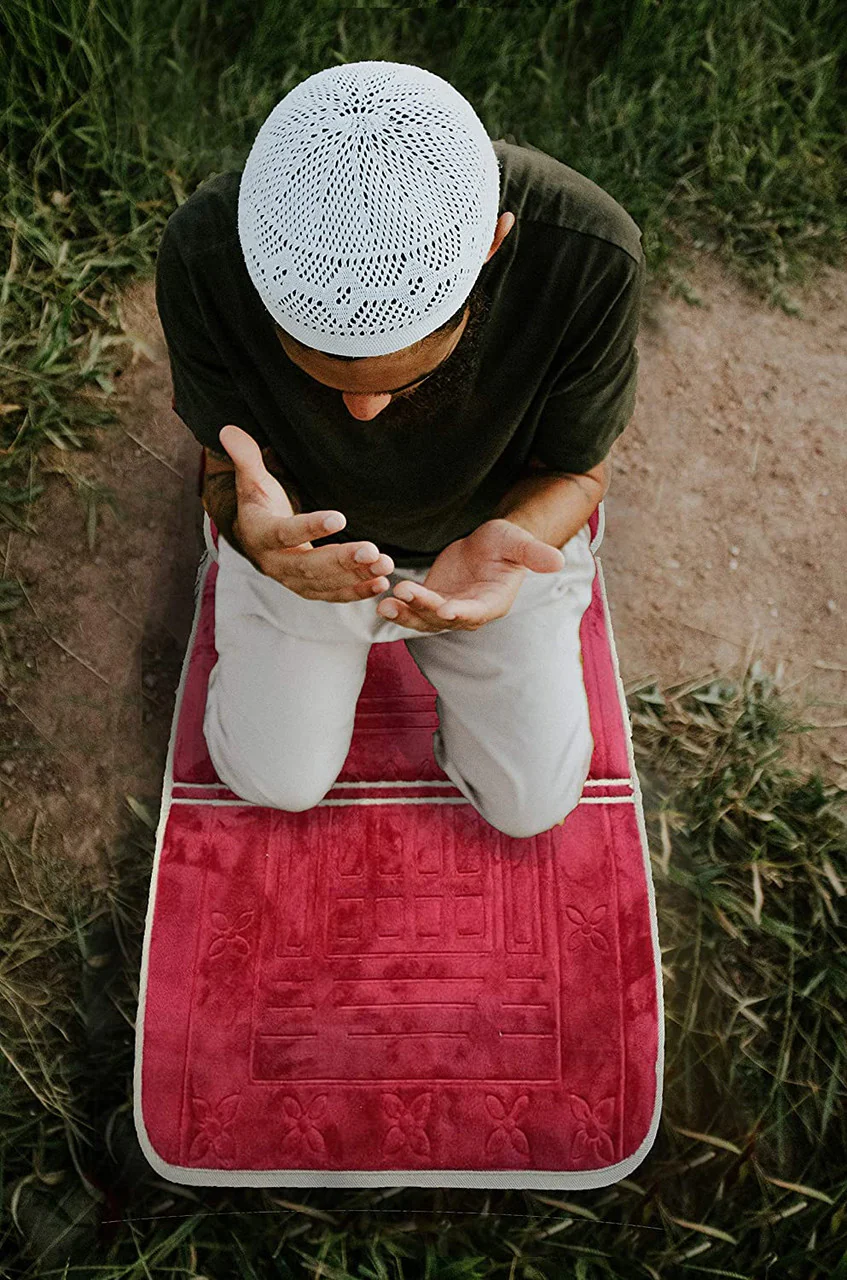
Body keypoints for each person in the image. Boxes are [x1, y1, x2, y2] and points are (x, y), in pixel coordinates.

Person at [155, 60, 645, 838]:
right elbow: (224, 467)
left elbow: (576, 469)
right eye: (319, 371)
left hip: (494, 533)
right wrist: (258, 538)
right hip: (315, 544)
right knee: (272, 780)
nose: (361, 413)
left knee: (531, 805)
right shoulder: (204, 253)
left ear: (490, 244)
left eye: (402, 378)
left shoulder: (586, 252)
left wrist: (510, 549)